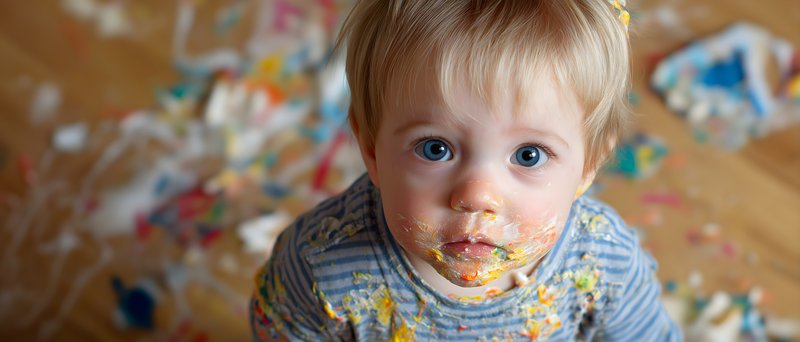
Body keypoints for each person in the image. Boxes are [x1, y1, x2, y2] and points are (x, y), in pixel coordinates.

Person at [251, 0, 681, 340]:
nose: (477, 195)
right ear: (372, 150)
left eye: (529, 154)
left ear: (588, 165)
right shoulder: (321, 269)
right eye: (435, 149)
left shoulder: (605, 262)